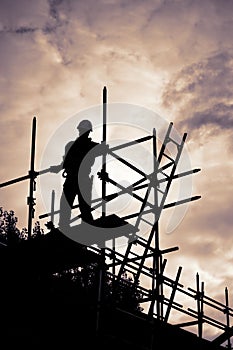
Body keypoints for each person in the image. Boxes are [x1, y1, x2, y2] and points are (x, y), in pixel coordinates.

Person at [50, 119, 107, 229]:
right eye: (82, 131)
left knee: (84, 208)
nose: (83, 133)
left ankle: (86, 227)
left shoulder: (90, 146)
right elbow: (65, 163)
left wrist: (103, 147)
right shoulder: (75, 146)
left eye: (84, 131)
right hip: (73, 179)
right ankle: (66, 227)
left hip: (82, 179)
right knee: (66, 205)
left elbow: (103, 150)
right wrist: (58, 168)